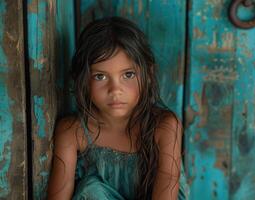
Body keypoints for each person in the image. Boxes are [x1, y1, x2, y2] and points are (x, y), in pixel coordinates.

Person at [47, 16, 190, 200]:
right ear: (82, 79)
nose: (115, 90)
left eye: (128, 74)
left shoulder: (164, 126)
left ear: (148, 74)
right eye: (100, 77)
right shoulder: (72, 131)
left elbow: (167, 190)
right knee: (91, 191)